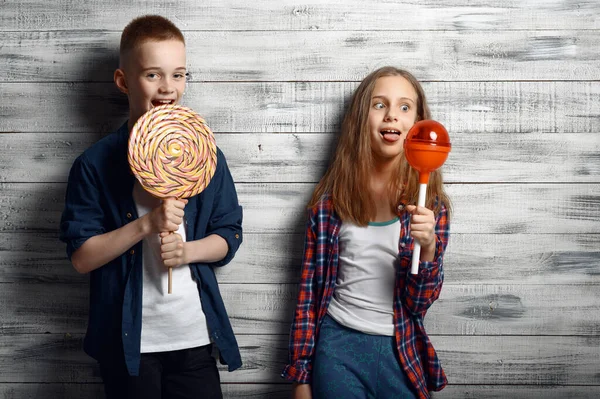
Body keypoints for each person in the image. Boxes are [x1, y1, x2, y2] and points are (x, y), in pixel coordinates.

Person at [59, 15, 243, 399]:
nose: (168, 88)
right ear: (124, 81)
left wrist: (189, 250)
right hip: (128, 347)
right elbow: (81, 257)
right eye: (152, 75)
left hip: (194, 337)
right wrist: (146, 225)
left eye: (178, 75)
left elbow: (229, 235)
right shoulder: (94, 164)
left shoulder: (205, 154)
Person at [282, 66, 451, 399]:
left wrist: (428, 247)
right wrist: (301, 377)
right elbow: (307, 295)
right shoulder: (328, 205)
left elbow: (419, 303)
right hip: (338, 348)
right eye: (379, 105)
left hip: (399, 350)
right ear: (362, 117)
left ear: (418, 124)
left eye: (405, 107)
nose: (392, 116)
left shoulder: (432, 206)